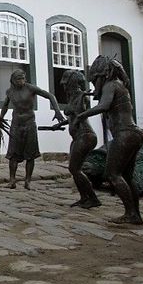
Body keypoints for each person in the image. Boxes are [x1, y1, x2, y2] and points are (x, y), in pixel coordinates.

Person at [73, 56, 143, 224]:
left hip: (125, 134)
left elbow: (104, 105)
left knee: (112, 174)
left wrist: (82, 115)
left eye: (94, 81)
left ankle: (131, 213)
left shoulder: (110, 85)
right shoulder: (119, 85)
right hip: (133, 134)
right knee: (126, 176)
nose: (93, 85)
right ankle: (134, 214)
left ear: (102, 75)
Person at [0, 69, 64, 190]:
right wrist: (0, 119)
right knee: (13, 154)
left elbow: (50, 96)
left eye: (23, 78)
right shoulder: (10, 92)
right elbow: (5, 105)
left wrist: (57, 111)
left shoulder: (31, 88)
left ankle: (27, 180)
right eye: (18, 79)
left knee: (31, 154)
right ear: (13, 80)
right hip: (16, 124)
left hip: (29, 123)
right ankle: (12, 180)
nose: (21, 81)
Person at [55, 70, 101, 208]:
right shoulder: (72, 97)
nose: (63, 87)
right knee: (75, 169)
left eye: (65, 84)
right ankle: (84, 197)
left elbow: (80, 112)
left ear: (71, 84)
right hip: (77, 137)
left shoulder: (82, 96)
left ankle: (93, 198)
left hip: (85, 135)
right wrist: (59, 124)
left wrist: (82, 96)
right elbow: (72, 117)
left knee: (74, 168)